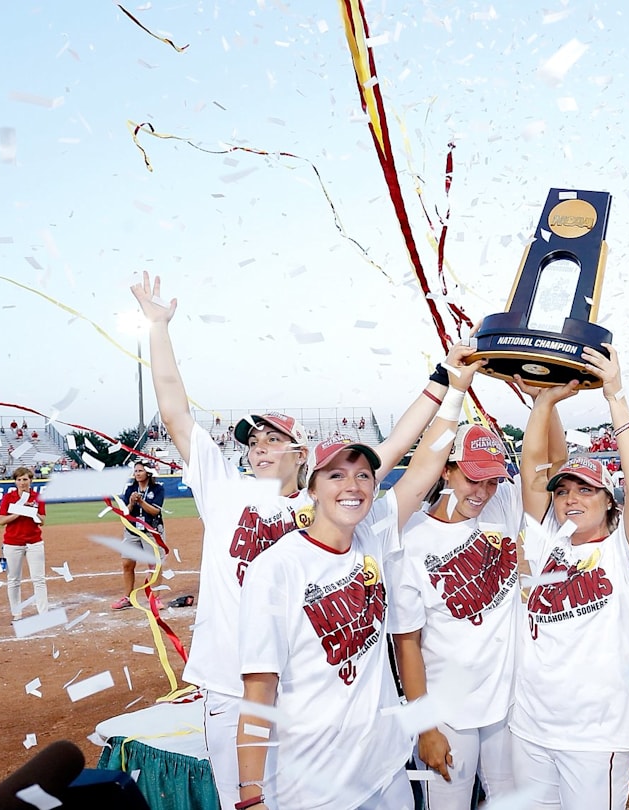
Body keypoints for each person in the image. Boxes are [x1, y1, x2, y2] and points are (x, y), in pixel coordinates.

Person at [130, 272, 460, 810]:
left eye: (274, 439)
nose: (260, 448)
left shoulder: (331, 508)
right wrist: (158, 328)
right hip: (235, 683)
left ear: (302, 456)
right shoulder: (226, 491)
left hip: (314, 689)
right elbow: (174, 411)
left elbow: (401, 452)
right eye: (253, 441)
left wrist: (444, 382)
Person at [234, 351, 481, 810]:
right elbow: (259, 688)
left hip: (383, 771)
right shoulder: (277, 568)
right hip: (314, 788)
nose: (353, 485)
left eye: (363, 475)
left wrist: (456, 391)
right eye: (336, 475)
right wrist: (250, 794)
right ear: (312, 487)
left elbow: (426, 466)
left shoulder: (374, 536)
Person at [510, 345, 629, 810]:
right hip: (530, 726)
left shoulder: (626, 553)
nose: (572, 498)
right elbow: (532, 470)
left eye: (587, 491)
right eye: (565, 491)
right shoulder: (545, 540)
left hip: (595, 738)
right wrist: (543, 403)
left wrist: (614, 394)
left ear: (608, 501)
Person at [389, 418, 565, 809]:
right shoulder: (409, 539)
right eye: (473, 478)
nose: (484, 491)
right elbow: (407, 644)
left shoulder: (500, 504)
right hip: (448, 711)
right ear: (447, 469)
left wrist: (546, 402)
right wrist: (426, 727)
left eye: (492, 480)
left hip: (507, 704)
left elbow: (549, 465)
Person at [114, 459, 167, 610]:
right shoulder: (130, 489)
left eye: (140, 471)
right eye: (136, 471)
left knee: (154, 564)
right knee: (127, 563)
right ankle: (127, 597)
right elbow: (125, 513)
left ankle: (155, 598)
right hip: (133, 530)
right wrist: (131, 503)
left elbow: (156, 511)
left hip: (151, 531)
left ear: (148, 472)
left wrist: (141, 502)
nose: (137, 474)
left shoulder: (157, 489)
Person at [0, 466, 48, 619]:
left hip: (34, 542)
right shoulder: (9, 498)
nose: (22, 483)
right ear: (15, 482)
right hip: (12, 543)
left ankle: (43, 613)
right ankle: (16, 613)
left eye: (25, 479)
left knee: (39, 579)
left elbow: (42, 521)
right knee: (13, 580)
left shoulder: (38, 497)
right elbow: (1, 520)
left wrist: (32, 512)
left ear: (31, 480)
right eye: (19, 480)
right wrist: (18, 513)